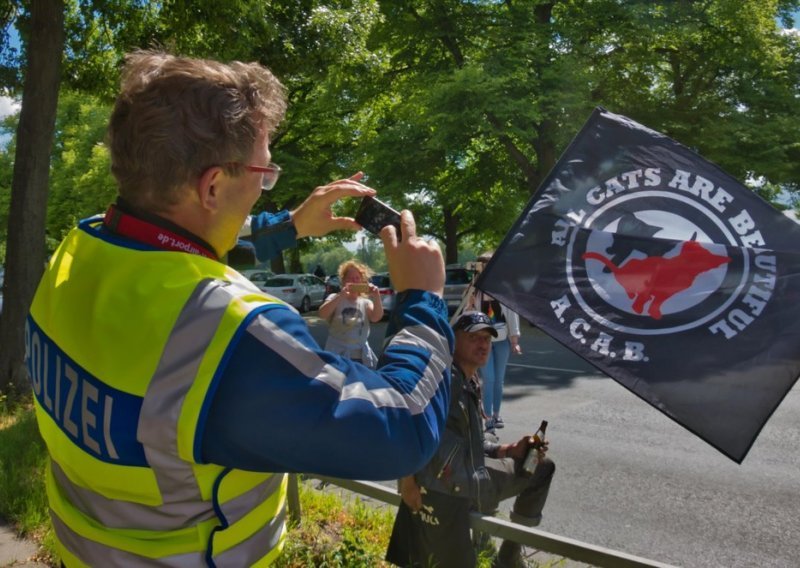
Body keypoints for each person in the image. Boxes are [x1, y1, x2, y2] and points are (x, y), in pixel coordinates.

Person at [26, 51, 453, 567]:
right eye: (264, 170)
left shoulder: (80, 250)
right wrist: (423, 301)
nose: (264, 183)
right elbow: (404, 430)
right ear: (211, 186)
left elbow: (169, 246)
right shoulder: (226, 331)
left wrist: (290, 224)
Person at [387, 311, 555, 568]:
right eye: (474, 337)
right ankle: (509, 557)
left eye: (487, 339)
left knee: (540, 464)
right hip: (453, 486)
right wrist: (406, 482)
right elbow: (406, 426)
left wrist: (509, 449)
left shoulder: (470, 380)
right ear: (453, 342)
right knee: (543, 468)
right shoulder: (445, 381)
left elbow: (473, 442)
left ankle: (509, 554)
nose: (483, 344)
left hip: (470, 475)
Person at [466, 252, 522, 432]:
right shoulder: (475, 289)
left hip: (502, 340)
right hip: (483, 341)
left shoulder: (504, 287)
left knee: (499, 380)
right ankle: (488, 418)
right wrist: (470, 297)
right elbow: (466, 314)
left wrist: (515, 340)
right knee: (488, 379)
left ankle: (497, 414)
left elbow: (512, 314)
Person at [318, 259, 384, 367]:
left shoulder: (366, 302)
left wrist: (376, 296)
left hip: (360, 356)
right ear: (344, 281)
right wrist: (340, 296)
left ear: (362, 281)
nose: (354, 281)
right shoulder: (335, 297)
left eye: (357, 278)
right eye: (350, 278)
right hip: (337, 355)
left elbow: (376, 318)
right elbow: (322, 314)